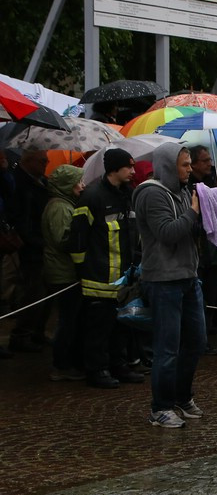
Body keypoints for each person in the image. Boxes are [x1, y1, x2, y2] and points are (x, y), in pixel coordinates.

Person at [133, 142, 206, 429]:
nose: (190, 169)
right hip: (163, 280)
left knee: (196, 341)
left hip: (188, 277)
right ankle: (160, 407)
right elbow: (167, 233)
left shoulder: (182, 191)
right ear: (167, 165)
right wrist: (194, 212)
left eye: (190, 164)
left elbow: (192, 229)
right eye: (185, 165)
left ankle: (181, 396)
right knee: (167, 348)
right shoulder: (151, 194)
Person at [69, 149, 144, 388]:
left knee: (121, 326)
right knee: (98, 328)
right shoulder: (92, 197)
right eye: (128, 167)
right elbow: (78, 236)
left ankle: (118, 365)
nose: (133, 171)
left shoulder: (128, 195)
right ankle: (96, 369)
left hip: (124, 277)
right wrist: (84, 268)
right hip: (98, 277)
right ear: (114, 169)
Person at [42, 165, 85, 382]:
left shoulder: (66, 204)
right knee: (68, 320)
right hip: (62, 272)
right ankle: (62, 364)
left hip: (65, 270)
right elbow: (62, 239)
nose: (82, 185)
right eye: (78, 182)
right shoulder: (60, 207)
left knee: (71, 319)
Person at [7, 148, 51, 353]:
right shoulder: (19, 183)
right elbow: (20, 217)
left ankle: (36, 332)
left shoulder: (40, 182)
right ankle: (22, 335)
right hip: (31, 245)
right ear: (29, 161)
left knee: (42, 292)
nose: (46, 164)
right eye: (43, 161)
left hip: (39, 242)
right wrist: (34, 241)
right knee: (32, 291)